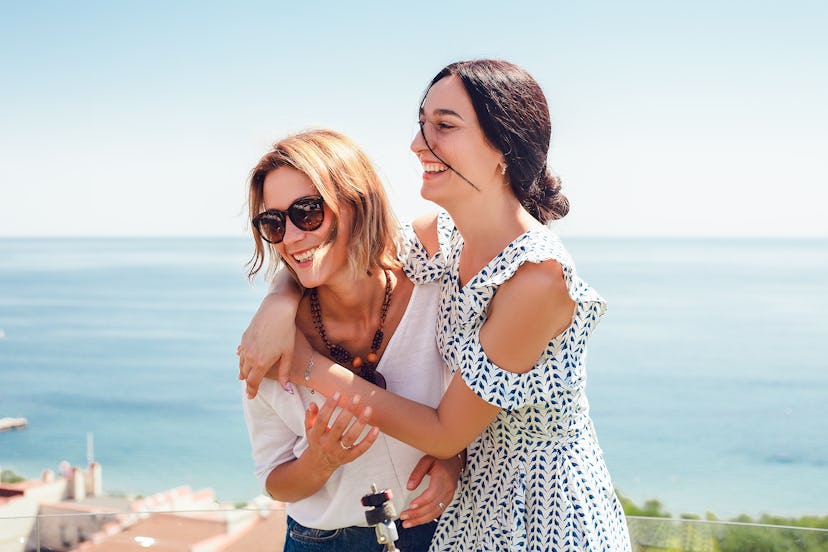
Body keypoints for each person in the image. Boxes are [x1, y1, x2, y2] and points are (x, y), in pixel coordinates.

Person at [239, 60, 632, 551]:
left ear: (503, 148)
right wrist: (278, 301)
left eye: (444, 126)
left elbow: (446, 433)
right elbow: (332, 250)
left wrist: (307, 366)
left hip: (542, 517)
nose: (418, 143)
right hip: (470, 514)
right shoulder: (441, 239)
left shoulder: (536, 278)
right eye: (422, 125)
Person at [240, 129, 460, 552]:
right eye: (273, 222)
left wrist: (455, 455)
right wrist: (320, 462)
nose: (289, 237)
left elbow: (482, 397)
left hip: (444, 526)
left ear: (357, 204)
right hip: (321, 541)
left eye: (307, 212)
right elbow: (275, 481)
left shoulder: (435, 286)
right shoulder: (269, 345)